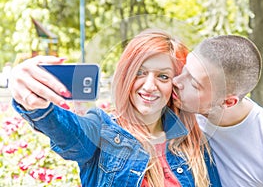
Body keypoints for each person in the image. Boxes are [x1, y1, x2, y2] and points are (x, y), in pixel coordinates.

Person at [9, 29, 221, 187]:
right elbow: (67, 131)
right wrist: (34, 103)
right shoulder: (102, 131)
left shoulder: (194, 144)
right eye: (140, 72)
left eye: (163, 76)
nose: (149, 86)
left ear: (176, 83)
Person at [172, 35, 263, 186]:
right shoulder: (177, 106)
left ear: (228, 102)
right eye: (184, 69)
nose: (176, 81)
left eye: (194, 84)